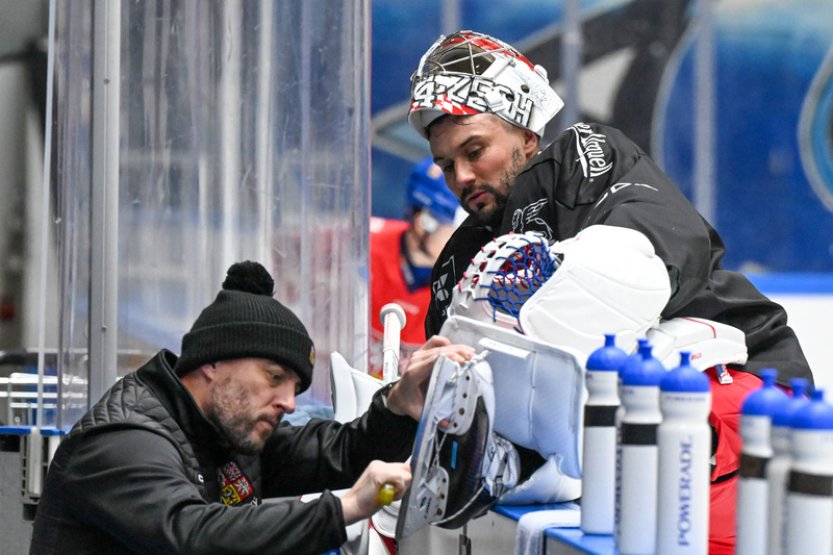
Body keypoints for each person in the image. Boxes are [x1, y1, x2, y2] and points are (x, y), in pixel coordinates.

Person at [407, 30, 814, 553]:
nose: (461, 177)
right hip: (610, 448)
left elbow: (633, 278)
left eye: (475, 150)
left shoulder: (581, 155)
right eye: (445, 165)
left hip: (737, 392)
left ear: (527, 135)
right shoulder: (457, 260)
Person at [29, 260, 475, 555]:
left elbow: (338, 453)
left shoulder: (228, 431)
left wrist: (398, 406)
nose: (288, 401)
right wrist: (344, 509)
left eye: (296, 385)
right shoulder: (122, 442)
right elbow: (191, 535)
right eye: (274, 377)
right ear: (213, 362)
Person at [369, 156, 462, 377]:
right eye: (455, 228)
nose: (465, 237)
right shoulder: (363, 246)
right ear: (424, 222)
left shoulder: (464, 282)